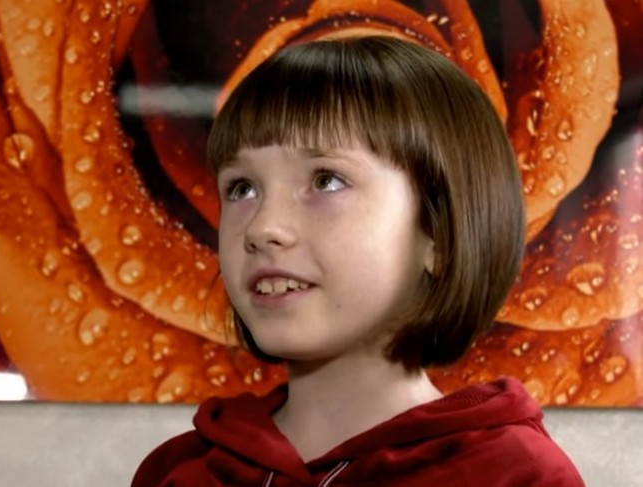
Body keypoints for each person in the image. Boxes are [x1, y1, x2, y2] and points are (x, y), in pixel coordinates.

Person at [132, 36, 584, 486]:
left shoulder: (519, 475)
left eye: (326, 181)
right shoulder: (175, 471)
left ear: (438, 237)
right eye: (241, 188)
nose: (262, 227)